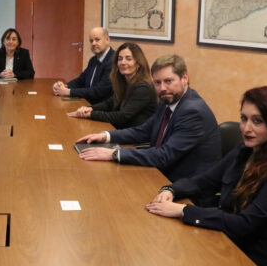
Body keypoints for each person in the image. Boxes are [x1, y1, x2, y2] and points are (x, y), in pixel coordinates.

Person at [145, 86, 267, 266]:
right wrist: (171, 190)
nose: (246, 128)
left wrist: (183, 210)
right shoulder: (244, 152)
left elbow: (244, 224)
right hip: (224, 238)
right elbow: (204, 180)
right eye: (244, 118)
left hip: (250, 259)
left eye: (257, 121)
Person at [77, 54, 220, 182]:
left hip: (186, 188)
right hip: (161, 174)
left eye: (168, 81)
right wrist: (106, 136)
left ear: (185, 78)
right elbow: (144, 131)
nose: (162, 88)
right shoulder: (167, 101)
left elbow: (164, 156)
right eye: (157, 83)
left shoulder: (193, 112)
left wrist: (115, 154)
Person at [67, 42, 156, 129]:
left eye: (128, 59)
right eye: (120, 59)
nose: (123, 62)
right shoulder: (125, 82)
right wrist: (88, 109)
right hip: (122, 131)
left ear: (138, 63)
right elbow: (109, 103)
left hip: (135, 136)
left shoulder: (143, 88)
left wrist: (90, 114)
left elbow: (121, 116)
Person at [53, 27, 114, 104]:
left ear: (107, 40)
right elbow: (81, 80)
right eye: (91, 41)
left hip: (101, 107)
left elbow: (99, 91)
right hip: (87, 103)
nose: (93, 43)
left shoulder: (113, 61)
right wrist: (65, 86)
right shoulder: (93, 60)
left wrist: (69, 92)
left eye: (97, 40)